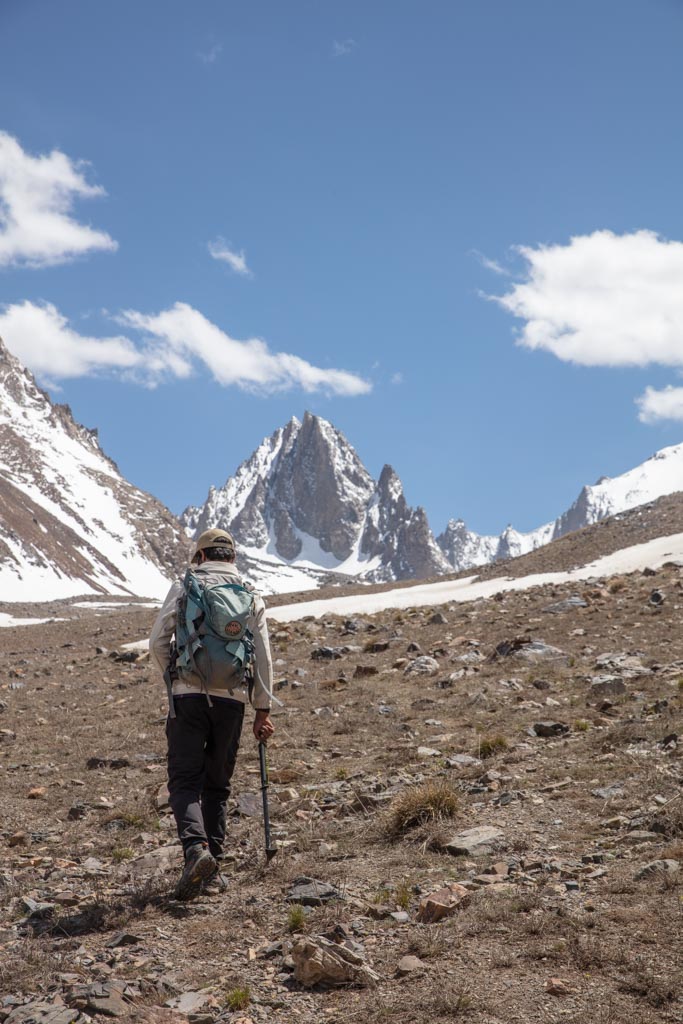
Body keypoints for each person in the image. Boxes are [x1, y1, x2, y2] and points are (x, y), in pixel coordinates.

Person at [149, 528, 275, 900]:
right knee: (217, 783)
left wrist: (172, 676)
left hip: (188, 694)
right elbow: (264, 655)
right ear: (232, 557)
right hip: (233, 700)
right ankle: (213, 864)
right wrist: (261, 709)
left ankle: (196, 852)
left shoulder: (185, 585)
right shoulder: (251, 595)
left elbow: (157, 640)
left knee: (185, 780)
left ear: (201, 557)